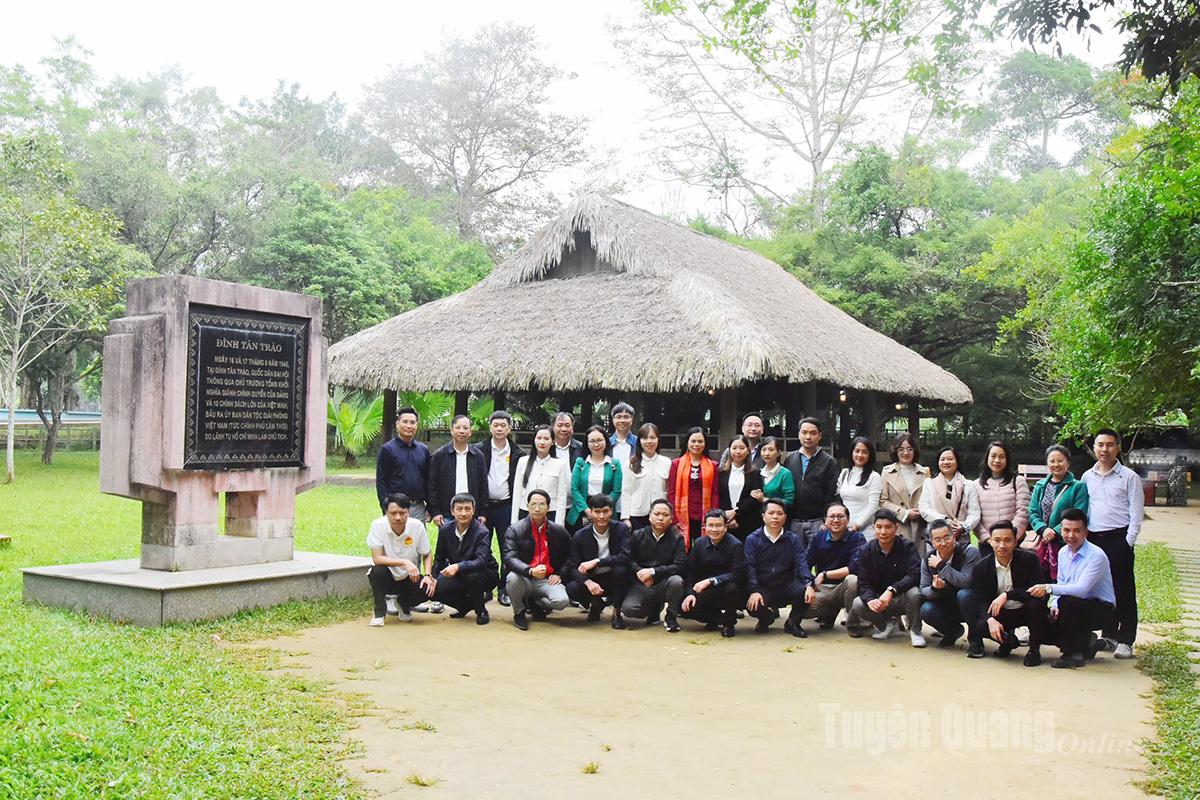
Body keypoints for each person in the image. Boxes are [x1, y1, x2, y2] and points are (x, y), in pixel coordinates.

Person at [1082, 428, 1144, 660]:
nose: (1104, 449)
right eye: (1100, 445)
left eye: (1109, 445)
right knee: (1098, 589)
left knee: (1123, 590)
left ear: (1118, 446)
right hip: (1094, 539)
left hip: (1119, 538)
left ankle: (1126, 639)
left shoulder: (1129, 477)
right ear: (1094, 447)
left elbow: (1136, 514)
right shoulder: (1087, 476)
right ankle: (1109, 635)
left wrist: (1128, 542)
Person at [1029, 508, 1115, 669]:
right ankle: (1087, 643)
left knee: (1069, 602)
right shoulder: (1062, 552)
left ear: (1086, 532)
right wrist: (1054, 605)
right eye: (1066, 530)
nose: (1071, 535)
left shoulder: (1096, 555)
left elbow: (1082, 590)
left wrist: (1048, 588)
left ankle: (1072, 654)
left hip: (1100, 609)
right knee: (1047, 628)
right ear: (1061, 530)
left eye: (1077, 531)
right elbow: (1062, 582)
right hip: (1072, 607)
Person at [968, 520, 1048, 665]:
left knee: (1036, 604)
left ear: (1015, 541)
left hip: (1025, 609)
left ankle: (1034, 650)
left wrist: (1007, 595)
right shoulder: (981, 567)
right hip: (1001, 612)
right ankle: (1007, 642)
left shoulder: (1029, 559)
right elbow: (979, 599)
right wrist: (990, 619)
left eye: (1007, 540)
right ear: (990, 541)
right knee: (982, 625)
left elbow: (1038, 590)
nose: (1002, 545)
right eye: (997, 540)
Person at [850, 509, 925, 647]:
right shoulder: (866, 550)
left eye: (888, 527)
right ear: (873, 528)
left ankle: (915, 630)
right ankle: (886, 624)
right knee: (858, 604)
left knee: (914, 593)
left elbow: (915, 574)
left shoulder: (907, 546)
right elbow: (864, 582)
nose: (883, 532)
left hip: (903, 597)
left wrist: (893, 590)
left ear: (896, 528)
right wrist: (870, 599)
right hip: (880, 600)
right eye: (879, 527)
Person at [502, 489, 572, 631]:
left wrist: (560, 574)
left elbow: (570, 557)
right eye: (533, 504)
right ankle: (519, 612)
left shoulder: (558, 531)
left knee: (562, 601)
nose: (537, 508)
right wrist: (530, 570)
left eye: (541, 504)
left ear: (548, 507)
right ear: (527, 506)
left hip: (547, 579)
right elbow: (509, 557)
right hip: (524, 577)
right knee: (512, 578)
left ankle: (535, 603)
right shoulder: (515, 530)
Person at [424, 493, 498, 625]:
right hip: (460, 573)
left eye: (467, 509)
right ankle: (465, 605)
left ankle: (481, 610)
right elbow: (439, 557)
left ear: (473, 510)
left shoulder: (482, 531)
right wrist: (432, 577)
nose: (463, 513)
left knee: (472, 577)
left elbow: (481, 561)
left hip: (485, 573)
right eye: (459, 509)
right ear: (452, 511)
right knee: (437, 588)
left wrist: (458, 566)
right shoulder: (445, 530)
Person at [478, 410, 526, 607]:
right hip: (484, 508)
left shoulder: (518, 453)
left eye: (503, 425)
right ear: (490, 427)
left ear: (509, 428)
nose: (499, 428)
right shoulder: (479, 450)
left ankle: (504, 589)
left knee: (508, 548)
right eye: (495, 425)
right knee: (482, 548)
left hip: (506, 506)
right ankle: (485, 587)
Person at [743, 498, 811, 637]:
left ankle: (793, 623)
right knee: (753, 604)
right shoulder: (752, 539)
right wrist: (754, 590)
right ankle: (766, 618)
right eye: (771, 513)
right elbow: (750, 568)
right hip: (763, 586)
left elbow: (801, 563)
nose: (775, 517)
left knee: (805, 592)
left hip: (786, 584)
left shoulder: (793, 539)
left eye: (779, 513)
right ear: (763, 516)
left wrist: (809, 584)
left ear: (785, 517)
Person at [563, 494, 633, 629]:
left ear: (612, 511)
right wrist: (587, 582)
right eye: (597, 512)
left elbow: (625, 556)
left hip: (614, 576)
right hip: (593, 577)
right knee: (572, 588)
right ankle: (595, 603)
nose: (601, 516)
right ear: (590, 512)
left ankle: (617, 612)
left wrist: (597, 561)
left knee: (622, 570)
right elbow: (573, 565)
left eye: (605, 511)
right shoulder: (580, 535)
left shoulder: (621, 529)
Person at [620, 498, 687, 632]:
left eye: (665, 515)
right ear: (650, 516)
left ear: (671, 518)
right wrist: (640, 572)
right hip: (641, 583)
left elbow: (680, 565)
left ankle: (671, 617)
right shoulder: (638, 535)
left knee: (677, 581)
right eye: (656, 514)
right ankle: (654, 609)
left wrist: (653, 572)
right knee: (629, 609)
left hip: (664, 582)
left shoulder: (677, 538)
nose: (660, 518)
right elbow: (628, 559)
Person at [366, 493, 432, 627]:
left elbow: (427, 553)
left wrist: (428, 575)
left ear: (408, 512)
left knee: (429, 588)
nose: (398, 517)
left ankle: (403, 604)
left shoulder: (417, 526)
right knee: (377, 571)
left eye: (402, 513)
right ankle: (379, 613)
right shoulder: (377, 525)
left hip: (409, 576)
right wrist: (404, 562)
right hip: (387, 576)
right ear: (386, 512)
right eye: (393, 513)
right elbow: (377, 558)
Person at [1027, 445, 1090, 582]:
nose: (1056, 464)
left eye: (1060, 461)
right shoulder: (1040, 486)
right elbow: (1032, 511)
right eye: (1052, 461)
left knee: (1064, 582)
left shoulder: (1078, 487)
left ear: (1068, 463)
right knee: (1039, 582)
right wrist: (1043, 529)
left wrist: (1054, 532)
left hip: (1066, 542)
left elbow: (1079, 512)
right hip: (1041, 542)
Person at [680, 510, 746, 637]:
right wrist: (689, 594)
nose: (714, 529)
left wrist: (711, 580)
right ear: (705, 527)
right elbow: (690, 572)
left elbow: (737, 573)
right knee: (684, 608)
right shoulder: (699, 543)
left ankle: (728, 623)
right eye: (711, 525)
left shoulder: (735, 545)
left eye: (718, 525)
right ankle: (715, 619)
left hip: (727, 588)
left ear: (726, 527)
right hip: (706, 590)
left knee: (732, 589)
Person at [918, 519, 981, 649]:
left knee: (964, 595)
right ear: (932, 542)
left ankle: (975, 640)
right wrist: (934, 588)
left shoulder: (968, 552)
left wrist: (942, 566)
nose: (943, 543)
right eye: (937, 539)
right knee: (926, 609)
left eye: (947, 537)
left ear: (953, 536)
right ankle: (953, 631)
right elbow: (923, 589)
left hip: (971, 603)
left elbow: (966, 581)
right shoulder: (928, 559)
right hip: (946, 603)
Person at [803, 502, 864, 631]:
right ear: (825, 520)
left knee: (853, 580)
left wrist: (825, 574)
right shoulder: (817, 538)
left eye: (840, 516)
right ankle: (829, 613)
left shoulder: (857, 538)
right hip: (824, 588)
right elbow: (805, 565)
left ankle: (853, 623)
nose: (836, 520)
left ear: (848, 520)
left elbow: (854, 567)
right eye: (832, 516)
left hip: (845, 587)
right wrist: (809, 585)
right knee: (803, 610)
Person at [782, 417, 840, 542]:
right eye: (804, 432)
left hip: (818, 522)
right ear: (799, 434)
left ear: (819, 435)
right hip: (794, 522)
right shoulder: (789, 459)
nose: (808, 437)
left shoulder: (829, 462)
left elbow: (831, 494)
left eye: (813, 433)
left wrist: (826, 521)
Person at [427, 414, 487, 527]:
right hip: (447, 514)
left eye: (465, 428)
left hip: (472, 513)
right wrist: (435, 512)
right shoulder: (439, 455)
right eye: (458, 427)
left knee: (471, 544)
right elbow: (432, 485)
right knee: (448, 544)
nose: (461, 431)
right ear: (451, 430)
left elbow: (483, 485)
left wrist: (482, 512)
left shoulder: (478, 456)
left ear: (470, 432)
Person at [973, 441, 1030, 557]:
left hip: (1013, 544)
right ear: (987, 458)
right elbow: (975, 516)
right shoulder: (976, 485)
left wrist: (1010, 538)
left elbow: (1023, 512)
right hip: (987, 545)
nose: (997, 460)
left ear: (1007, 459)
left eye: (1001, 457)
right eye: (993, 456)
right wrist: (989, 539)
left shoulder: (1018, 481)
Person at [374, 407, 431, 519]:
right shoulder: (387, 449)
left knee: (415, 536)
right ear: (397, 424)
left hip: (418, 507)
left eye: (412, 422)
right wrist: (386, 507)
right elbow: (381, 481)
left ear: (416, 425)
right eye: (405, 422)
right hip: (395, 508)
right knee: (396, 536)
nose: (409, 426)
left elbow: (428, 479)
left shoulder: (423, 450)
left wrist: (430, 506)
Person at [918, 445, 980, 546]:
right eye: (942, 459)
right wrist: (944, 521)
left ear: (957, 462)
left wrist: (963, 526)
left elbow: (975, 513)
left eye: (950, 459)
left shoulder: (968, 485)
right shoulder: (929, 484)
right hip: (937, 538)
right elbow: (924, 508)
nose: (946, 462)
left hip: (961, 538)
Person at [667, 426, 718, 549]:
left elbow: (715, 493)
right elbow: (671, 492)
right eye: (693, 441)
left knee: (704, 547)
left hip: (704, 514)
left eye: (700, 441)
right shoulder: (676, 464)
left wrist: (714, 515)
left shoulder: (713, 466)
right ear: (687, 443)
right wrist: (673, 517)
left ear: (705, 444)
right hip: (683, 514)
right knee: (683, 549)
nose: (696, 444)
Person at [511, 425, 571, 527]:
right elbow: (517, 493)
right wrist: (514, 521)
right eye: (539, 438)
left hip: (551, 513)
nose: (542, 442)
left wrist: (559, 525)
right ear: (534, 440)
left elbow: (562, 497)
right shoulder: (523, 462)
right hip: (526, 513)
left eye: (546, 439)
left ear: (552, 442)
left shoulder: (560, 464)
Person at [879, 432, 929, 553]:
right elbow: (882, 501)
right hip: (898, 526)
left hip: (920, 528)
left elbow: (930, 499)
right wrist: (905, 513)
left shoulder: (924, 472)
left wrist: (922, 511)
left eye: (909, 449)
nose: (905, 453)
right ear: (895, 451)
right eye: (901, 449)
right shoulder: (887, 472)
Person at [620, 422, 672, 531]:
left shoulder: (666, 462)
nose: (649, 441)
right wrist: (625, 518)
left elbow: (669, 489)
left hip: (659, 514)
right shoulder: (630, 463)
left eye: (653, 437)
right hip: (637, 513)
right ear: (639, 441)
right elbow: (626, 492)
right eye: (644, 438)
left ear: (658, 439)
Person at [569, 425, 623, 530]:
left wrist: (602, 509)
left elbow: (616, 491)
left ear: (606, 441)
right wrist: (586, 510)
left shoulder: (614, 464)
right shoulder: (580, 463)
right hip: (583, 509)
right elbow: (574, 489)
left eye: (599, 440)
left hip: (606, 510)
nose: (596, 444)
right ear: (587, 444)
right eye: (592, 441)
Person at [718, 435, 764, 535]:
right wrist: (728, 518)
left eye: (742, 448)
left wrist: (736, 512)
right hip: (725, 522)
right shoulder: (721, 473)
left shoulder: (755, 473)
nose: (738, 452)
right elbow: (720, 496)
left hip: (748, 522)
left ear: (748, 450)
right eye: (734, 448)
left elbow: (754, 499)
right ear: (729, 450)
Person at [836, 436, 883, 536]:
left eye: (864, 452)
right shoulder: (845, 473)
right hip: (844, 528)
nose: (860, 455)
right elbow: (838, 499)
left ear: (870, 455)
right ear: (851, 452)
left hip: (865, 530)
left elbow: (873, 507)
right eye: (857, 451)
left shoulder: (874, 476)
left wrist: (857, 525)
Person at [752, 437, 795, 512]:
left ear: (778, 452)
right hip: (758, 518)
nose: (766, 453)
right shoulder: (757, 473)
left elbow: (789, 501)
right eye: (764, 449)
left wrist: (765, 500)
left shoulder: (785, 473)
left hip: (777, 517)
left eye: (771, 450)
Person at [608, 402, 638, 469]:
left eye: (626, 417)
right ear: (613, 420)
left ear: (632, 420)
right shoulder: (606, 443)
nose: (622, 420)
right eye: (618, 417)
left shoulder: (639, 442)